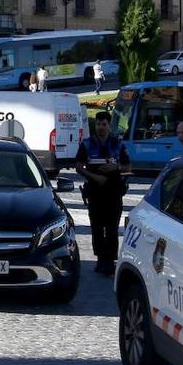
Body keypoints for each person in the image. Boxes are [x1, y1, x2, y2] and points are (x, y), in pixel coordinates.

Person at [75, 110, 131, 276]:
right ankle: (100, 259)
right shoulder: (87, 144)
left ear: (109, 125)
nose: (101, 127)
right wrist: (95, 177)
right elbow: (78, 166)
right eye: (98, 124)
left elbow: (128, 167)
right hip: (95, 193)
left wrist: (116, 167)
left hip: (114, 193)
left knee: (112, 229)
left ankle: (110, 261)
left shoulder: (118, 144)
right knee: (97, 228)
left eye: (104, 124)